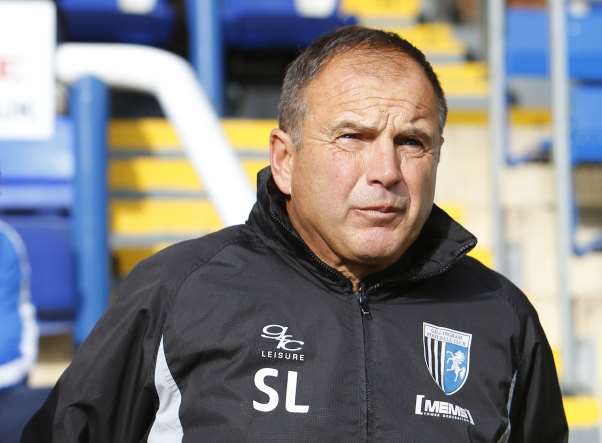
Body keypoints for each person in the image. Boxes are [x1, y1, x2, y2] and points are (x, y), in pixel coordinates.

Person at [23, 26, 567, 442]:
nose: (386, 170)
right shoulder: (177, 292)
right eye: (352, 136)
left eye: (412, 142)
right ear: (284, 159)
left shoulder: (500, 315)